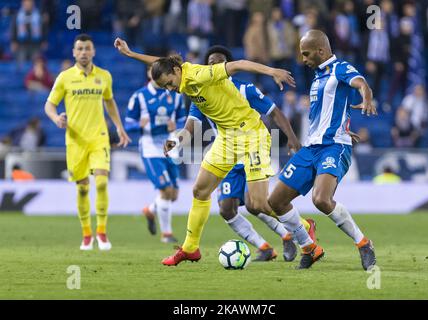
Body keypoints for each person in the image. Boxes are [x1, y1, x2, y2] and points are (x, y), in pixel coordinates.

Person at [114, 37, 317, 267]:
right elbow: (161, 63)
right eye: (166, 87)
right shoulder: (183, 79)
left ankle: (303, 226)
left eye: (170, 83)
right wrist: (131, 55)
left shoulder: (202, 74)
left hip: (251, 135)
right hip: (227, 138)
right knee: (200, 190)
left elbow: (239, 63)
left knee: (258, 204)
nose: (171, 90)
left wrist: (272, 71)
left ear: (177, 71)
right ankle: (190, 249)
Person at [186, 45, 318, 262]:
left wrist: (293, 139)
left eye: (219, 62)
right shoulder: (201, 89)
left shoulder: (244, 88)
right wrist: (178, 138)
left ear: (227, 66)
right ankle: (265, 247)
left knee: (256, 204)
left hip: (250, 149)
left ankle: (293, 231)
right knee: (226, 209)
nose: (214, 66)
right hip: (226, 153)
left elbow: (274, 112)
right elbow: (192, 122)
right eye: (210, 63)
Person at [267, 30, 377, 270]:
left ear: (321, 51)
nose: (303, 59)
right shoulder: (318, 78)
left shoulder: (339, 68)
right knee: (275, 201)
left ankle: (364, 244)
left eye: (306, 54)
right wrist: (345, 118)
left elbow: (360, 83)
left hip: (334, 147)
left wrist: (367, 96)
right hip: (311, 148)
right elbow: (331, 109)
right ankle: (310, 247)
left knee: (321, 199)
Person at [45, 34, 131, 251]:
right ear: (74, 52)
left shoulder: (104, 76)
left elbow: (110, 102)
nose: (83, 52)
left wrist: (119, 128)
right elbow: (49, 105)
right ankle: (86, 234)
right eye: (80, 49)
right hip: (75, 141)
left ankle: (101, 232)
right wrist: (56, 118)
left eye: (87, 48)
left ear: (93, 52)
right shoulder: (65, 77)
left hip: (98, 137)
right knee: (83, 189)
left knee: (101, 183)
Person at [125, 66, 186, 243]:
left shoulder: (175, 94)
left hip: (169, 145)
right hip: (150, 148)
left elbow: (183, 118)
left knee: (173, 195)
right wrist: (140, 125)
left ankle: (151, 210)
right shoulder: (139, 96)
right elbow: (128, 123)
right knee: (165, 190)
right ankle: (166, 234)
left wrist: (176, 125)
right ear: (148, 73)